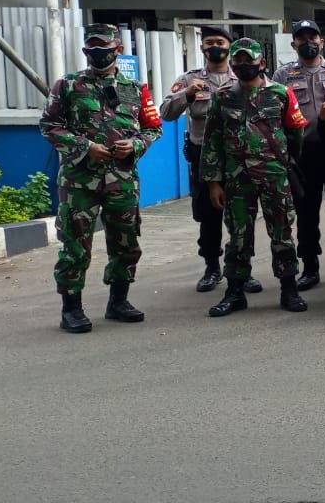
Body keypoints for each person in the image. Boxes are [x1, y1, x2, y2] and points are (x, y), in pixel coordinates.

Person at [40, 23, 163, 333]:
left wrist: (134, 145)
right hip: (79, 180)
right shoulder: (67, 85)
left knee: (126, 240)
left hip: (121, 178)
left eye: (104, 46)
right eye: (93, 47)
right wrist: (85, 147)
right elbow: (49, 126)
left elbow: (153, 128)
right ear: (85, 51)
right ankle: (71, 308)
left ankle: (118, 301)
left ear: (117, 49)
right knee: (75, 243)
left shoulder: (136, 88)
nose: (98, 52)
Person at [201, 38, 310, 317]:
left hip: (274, 174)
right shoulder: (223, 96)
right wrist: (214, 182)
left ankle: (289, 288)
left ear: (261, 63)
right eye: (238, 61)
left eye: (249, 61)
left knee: (282, 232)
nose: (243, 66)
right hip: (237, 178)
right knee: (238, 236)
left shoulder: (281, 93)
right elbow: (211, 140)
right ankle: (235, 292)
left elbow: (295, 133)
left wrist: (285, 162)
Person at [160, 25, 262, 294]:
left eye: (220, 41)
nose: (214, 46)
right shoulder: (190, 78)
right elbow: (166, 113)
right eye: (209, 42)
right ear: (203, 47)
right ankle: (212, 267)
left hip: (240, 157)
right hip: (204, 157)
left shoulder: (242, 74)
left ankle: (243, 268)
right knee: (209, 216)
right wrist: (187, 95)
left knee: (242, 216)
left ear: (229, 46)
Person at [274, 19, 325, 292]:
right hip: (303, 153)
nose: (308, 42)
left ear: (322, 42)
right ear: (293, 44)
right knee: (306, 213)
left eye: (313, 37)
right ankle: (310, 267)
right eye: (302, 38)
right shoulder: (282, 76)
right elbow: (275, 115)